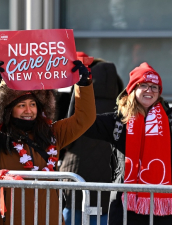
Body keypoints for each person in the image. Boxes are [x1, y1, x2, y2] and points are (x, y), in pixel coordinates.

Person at [0, 60, 96, 225]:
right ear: (9, 110)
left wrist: (83, 84)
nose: (28, 110)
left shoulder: (53, 134)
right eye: (21, 105)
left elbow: (84, 119)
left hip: (50, 220)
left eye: (33, 104)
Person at [84, 62, 172, 225]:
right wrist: (83, 87)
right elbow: (84, 124)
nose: (149, 90)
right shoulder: (118, 121)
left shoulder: (169, 121)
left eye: (154, 87)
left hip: (162, 207)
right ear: (132, 89)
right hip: (124, 204)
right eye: (143, 85)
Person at [60, 56, 124, 225]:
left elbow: (69, 128)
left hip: (75, 172)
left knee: (72, 215)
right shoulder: (122, 100)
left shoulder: (82, 92)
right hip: (109, 176)